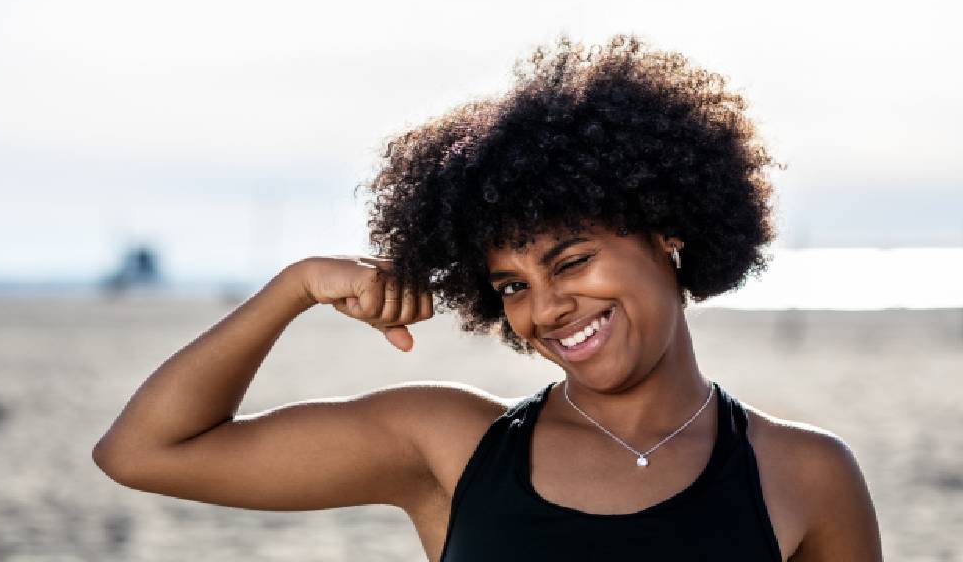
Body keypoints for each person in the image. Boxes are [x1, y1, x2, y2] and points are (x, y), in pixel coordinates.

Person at [92, 34, 883, 560]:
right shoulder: (449, 447)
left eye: (570, 261)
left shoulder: (804, 474)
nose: (545, 309)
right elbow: (144, 452)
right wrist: (294, 287)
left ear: (666, 230)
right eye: (512, 284)